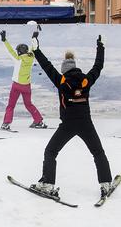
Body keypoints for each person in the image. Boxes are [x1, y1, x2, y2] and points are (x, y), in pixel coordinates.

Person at [30, 33, 115, 202]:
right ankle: (106, 183)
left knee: (51, 152)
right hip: (86, 124)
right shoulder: (85, 80)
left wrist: (36, 50)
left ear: (64, 69)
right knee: (98, 152)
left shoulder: (62, 81)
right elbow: (98, 66)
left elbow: (46, 66)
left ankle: (47, 184)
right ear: (75, 67)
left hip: (68, 125)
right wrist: (101, 47)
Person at [0, 29, 45, 130]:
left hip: (17, 85)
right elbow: (34, 47)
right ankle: (39, 121)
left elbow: (10, 50)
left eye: (17, 51)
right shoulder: (32, 57)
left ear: (19, 52)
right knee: (28, 104)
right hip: (27, 86)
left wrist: (4, 40)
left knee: (11, 105)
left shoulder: (18, 59)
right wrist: (34, 38)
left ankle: (6, 123)